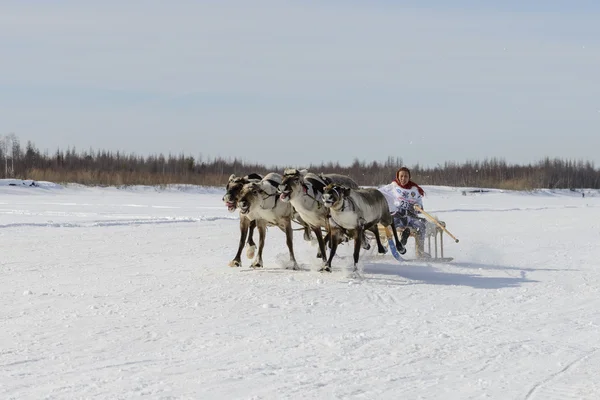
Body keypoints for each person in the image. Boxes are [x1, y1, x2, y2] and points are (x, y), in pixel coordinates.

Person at [378, 167, 430, 258]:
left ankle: (420, 252)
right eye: (401, 176)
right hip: (397, 215)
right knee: (396, 224)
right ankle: (401, 239)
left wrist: (418, 207)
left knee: (421, 226)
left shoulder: (415, 190)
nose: (403, 178)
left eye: (405, 176)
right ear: (398, 177)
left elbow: (420, 205)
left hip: (411, 216)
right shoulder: (392, 187)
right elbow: (379, 193)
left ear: (409, 177)